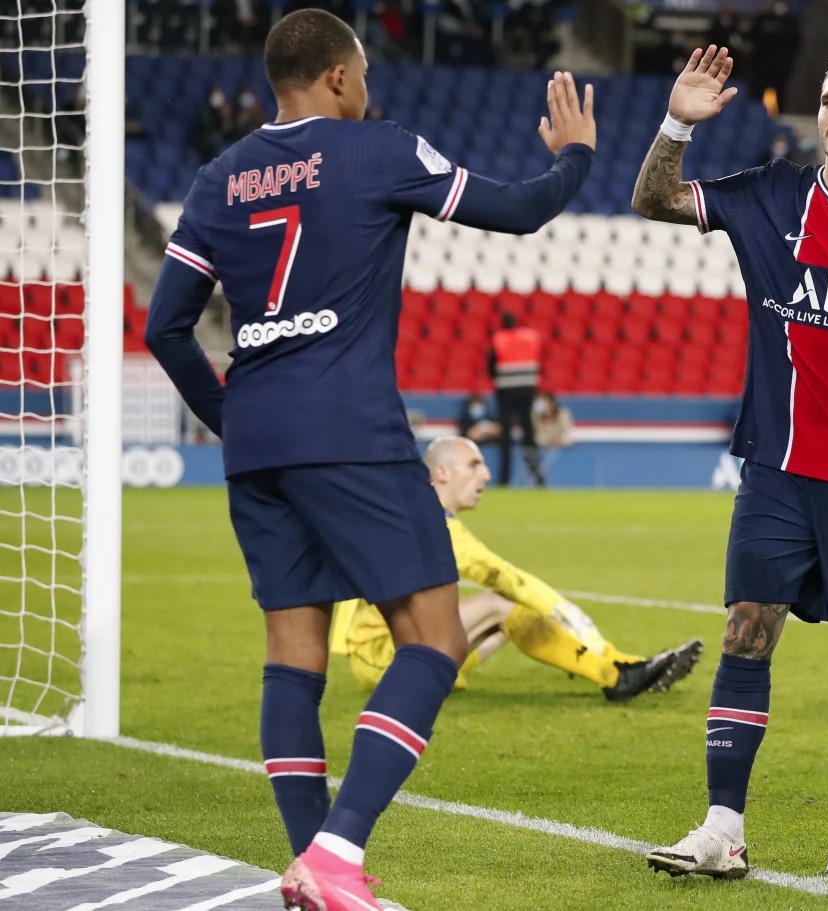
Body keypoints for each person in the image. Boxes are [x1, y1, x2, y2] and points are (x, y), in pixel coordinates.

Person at [141, 9, 596, 909]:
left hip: (258, 441)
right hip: (349, 428)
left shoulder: (218, 177)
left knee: (292, 654)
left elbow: (165, 328)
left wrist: (235, 421)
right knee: (435, 637)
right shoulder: (378, 148)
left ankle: (313, 867)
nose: (370, 87)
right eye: (366, 73)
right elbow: (518, 210)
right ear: (340, 76)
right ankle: (339, 850)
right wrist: (575, 156)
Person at [631, 47, 828, 879]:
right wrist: (677, 125)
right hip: (776, 463)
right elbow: (655, 198)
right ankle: (722, 828)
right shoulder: (770, 192)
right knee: (746, 629)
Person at [333, 437, 702, 700]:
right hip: (382, 658)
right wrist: (563, 609)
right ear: (441, 473)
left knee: (513, 622)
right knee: (503, 603)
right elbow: (504, 575)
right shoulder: (433, 526)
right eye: (474, 464)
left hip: (386, 653)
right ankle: (616, 676)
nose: (486, 474)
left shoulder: (413, 514)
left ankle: (629, 665)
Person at [488, 312, 544, 486]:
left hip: (505, 391)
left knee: (506, 436)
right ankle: (537, 476)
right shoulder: (531, 337)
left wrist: (498, 380)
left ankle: (504, 479)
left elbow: (491, 365)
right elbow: (539, 360)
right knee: (528, 433)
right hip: (528, 390)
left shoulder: (499, 339)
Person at [530, 389, 574, 486]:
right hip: (542, 450)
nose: (542, 405)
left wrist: (560, 441)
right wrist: (548, 441)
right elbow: (536, 435)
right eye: (540, 403)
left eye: (545, 402)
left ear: (552, 403)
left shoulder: (563, 414)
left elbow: (568, 433)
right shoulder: (535, 415)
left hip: (563, 450)